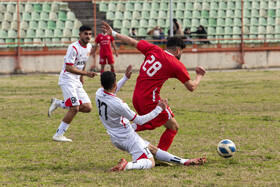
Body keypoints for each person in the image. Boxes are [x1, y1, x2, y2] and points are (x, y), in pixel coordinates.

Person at [101, 21, 206, 151]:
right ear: (178, 50)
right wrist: (199, 75)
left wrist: (114, 33)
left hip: (136, 97)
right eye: (181, 53)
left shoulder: (153, 49)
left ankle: (131, 130)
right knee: (173, 127)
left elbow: (132, 42)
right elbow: (191, 87)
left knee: (153, 122)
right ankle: (157, 153)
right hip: (149, 99)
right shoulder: (175, 64)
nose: (181, 55)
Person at [95, 69, 206, 171]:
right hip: (127, 137)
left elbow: (112, 90)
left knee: (152, 149)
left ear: (101, 84)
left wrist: (125, 78)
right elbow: (139, 120)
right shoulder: (119, 104)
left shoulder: (98, 93)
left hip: (115, 137)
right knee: (150, 162)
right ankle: (127, 165)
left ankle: (185, 162)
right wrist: (159, 109)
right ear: (114, 84)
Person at [48, 25, 97, 142]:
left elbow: (83, 61)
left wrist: (81, 77)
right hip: (67, 79)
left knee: (87, 107)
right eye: (85, 34)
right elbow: (69, 68)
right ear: (80, 35)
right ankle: (58, 135)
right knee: (74, 108)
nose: (88, 36)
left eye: (90, 34)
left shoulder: (89, 46)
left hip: (76, 79)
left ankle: (58, 103)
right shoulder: (73, 47)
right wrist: (85, 73)